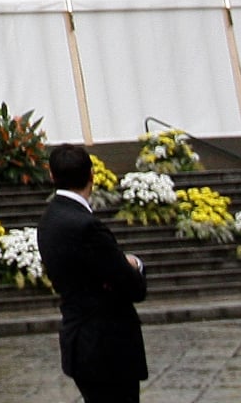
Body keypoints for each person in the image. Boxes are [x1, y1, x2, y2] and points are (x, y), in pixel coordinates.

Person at [38, 144, 148, 402]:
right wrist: (135, 265)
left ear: (52, 176)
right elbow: (133, 287)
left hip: (79, 341)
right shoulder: (86, 226)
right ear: (92, 175)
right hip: (106, 348)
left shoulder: (49, 219)